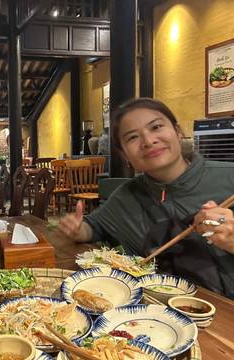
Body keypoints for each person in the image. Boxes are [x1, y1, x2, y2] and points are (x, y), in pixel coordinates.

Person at [59, 98, 234, 298]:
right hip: (154, 315)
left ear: (178, 132)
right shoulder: (127, 196)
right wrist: (77, 229)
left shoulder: (228, 179)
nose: (148, 141)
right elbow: (95, 226)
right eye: (132, 137)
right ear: (125, 155)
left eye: (157, 126)